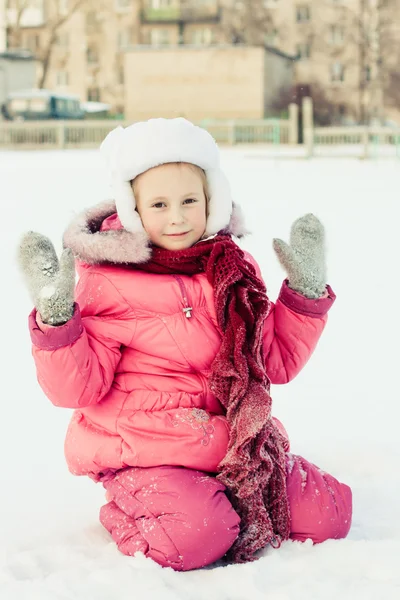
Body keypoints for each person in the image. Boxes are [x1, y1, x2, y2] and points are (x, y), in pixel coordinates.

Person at [18, 118, 352, 571]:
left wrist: (303, 297)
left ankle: (223, 493)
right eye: (158, 203)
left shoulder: (231, 267)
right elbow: (77, 390)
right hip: (147, 449)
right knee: (197, 537)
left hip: (234, 442)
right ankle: (128, 506)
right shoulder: (109, 280)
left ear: (211, 200)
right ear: (133, 209)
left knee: (329, 514)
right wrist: (58, 323)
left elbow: (274, 360)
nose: (176, 216)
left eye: (189, 200)